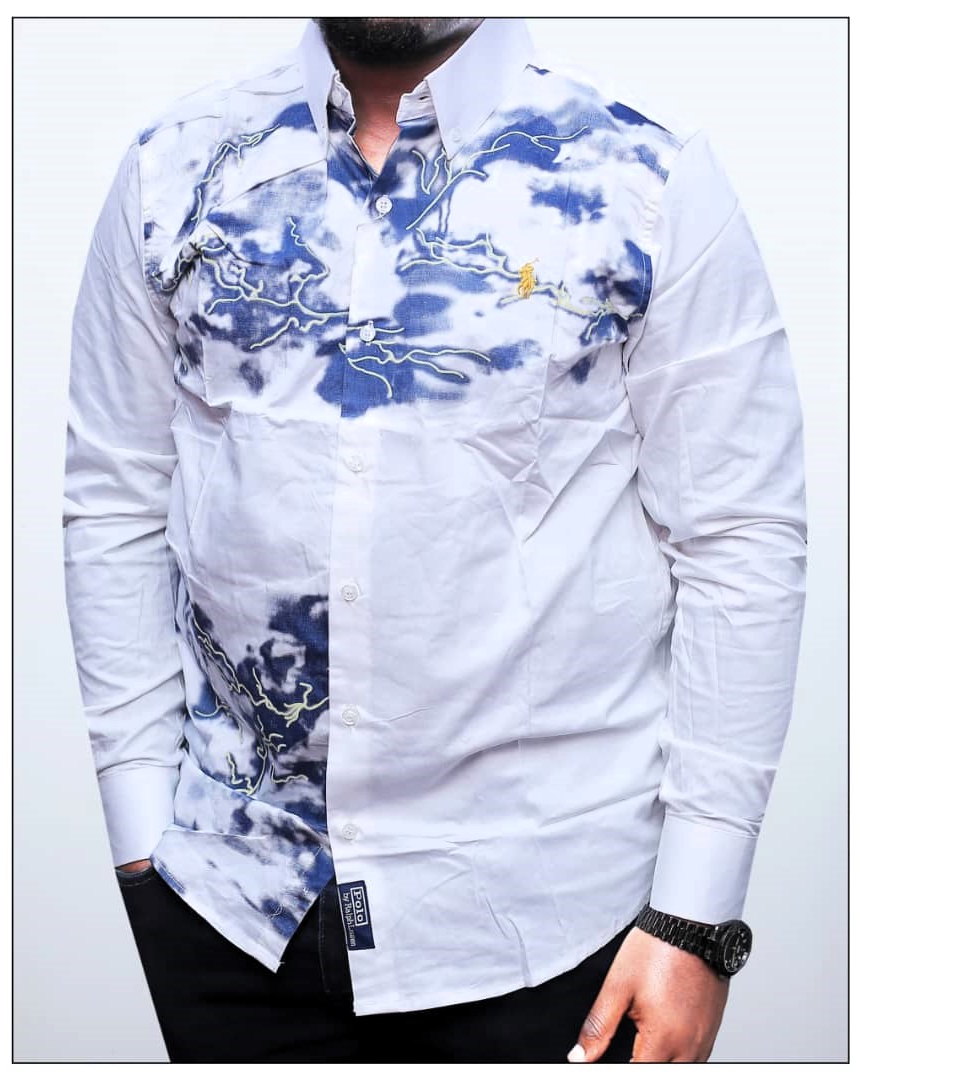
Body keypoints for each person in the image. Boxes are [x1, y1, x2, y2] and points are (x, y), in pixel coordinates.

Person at [62, 16, 808, 1064]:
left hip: (553, 929)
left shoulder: (646, 174)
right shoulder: (171, 169)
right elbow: (114, 496)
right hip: (231, 911)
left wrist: (695, 916)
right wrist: (140, 833)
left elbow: (740, 540)